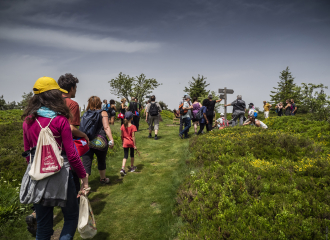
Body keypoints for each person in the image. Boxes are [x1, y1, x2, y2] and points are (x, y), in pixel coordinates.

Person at [22, 76, 89, 240]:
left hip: (37, 176)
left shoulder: (28, 121)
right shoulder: (60, 120)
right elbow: (72, 155)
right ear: (54, 95)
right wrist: (83, 177)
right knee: (71, 217)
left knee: (43, 228)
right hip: (61, 176)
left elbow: (27, 154)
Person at [81, 96, 114, 184]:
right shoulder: (103, 113)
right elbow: (106, 127)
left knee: (86, 164)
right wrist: (111, 140)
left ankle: (84, 185)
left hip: (87, 141)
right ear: (99, 103)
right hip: (100, 141)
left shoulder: (86, 113)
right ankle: (103, 179)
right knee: (101, 160)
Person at [119, 111, 137, 176]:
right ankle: (132, 167)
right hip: (131, 143)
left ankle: (122, 168)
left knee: (125, 156)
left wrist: (122, 141)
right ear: (131, 118)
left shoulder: (123, 126)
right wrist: (134, 145)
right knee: (132, 155)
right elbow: (133, 136)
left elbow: (121, 135)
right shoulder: (133, 126)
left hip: (125, 142)